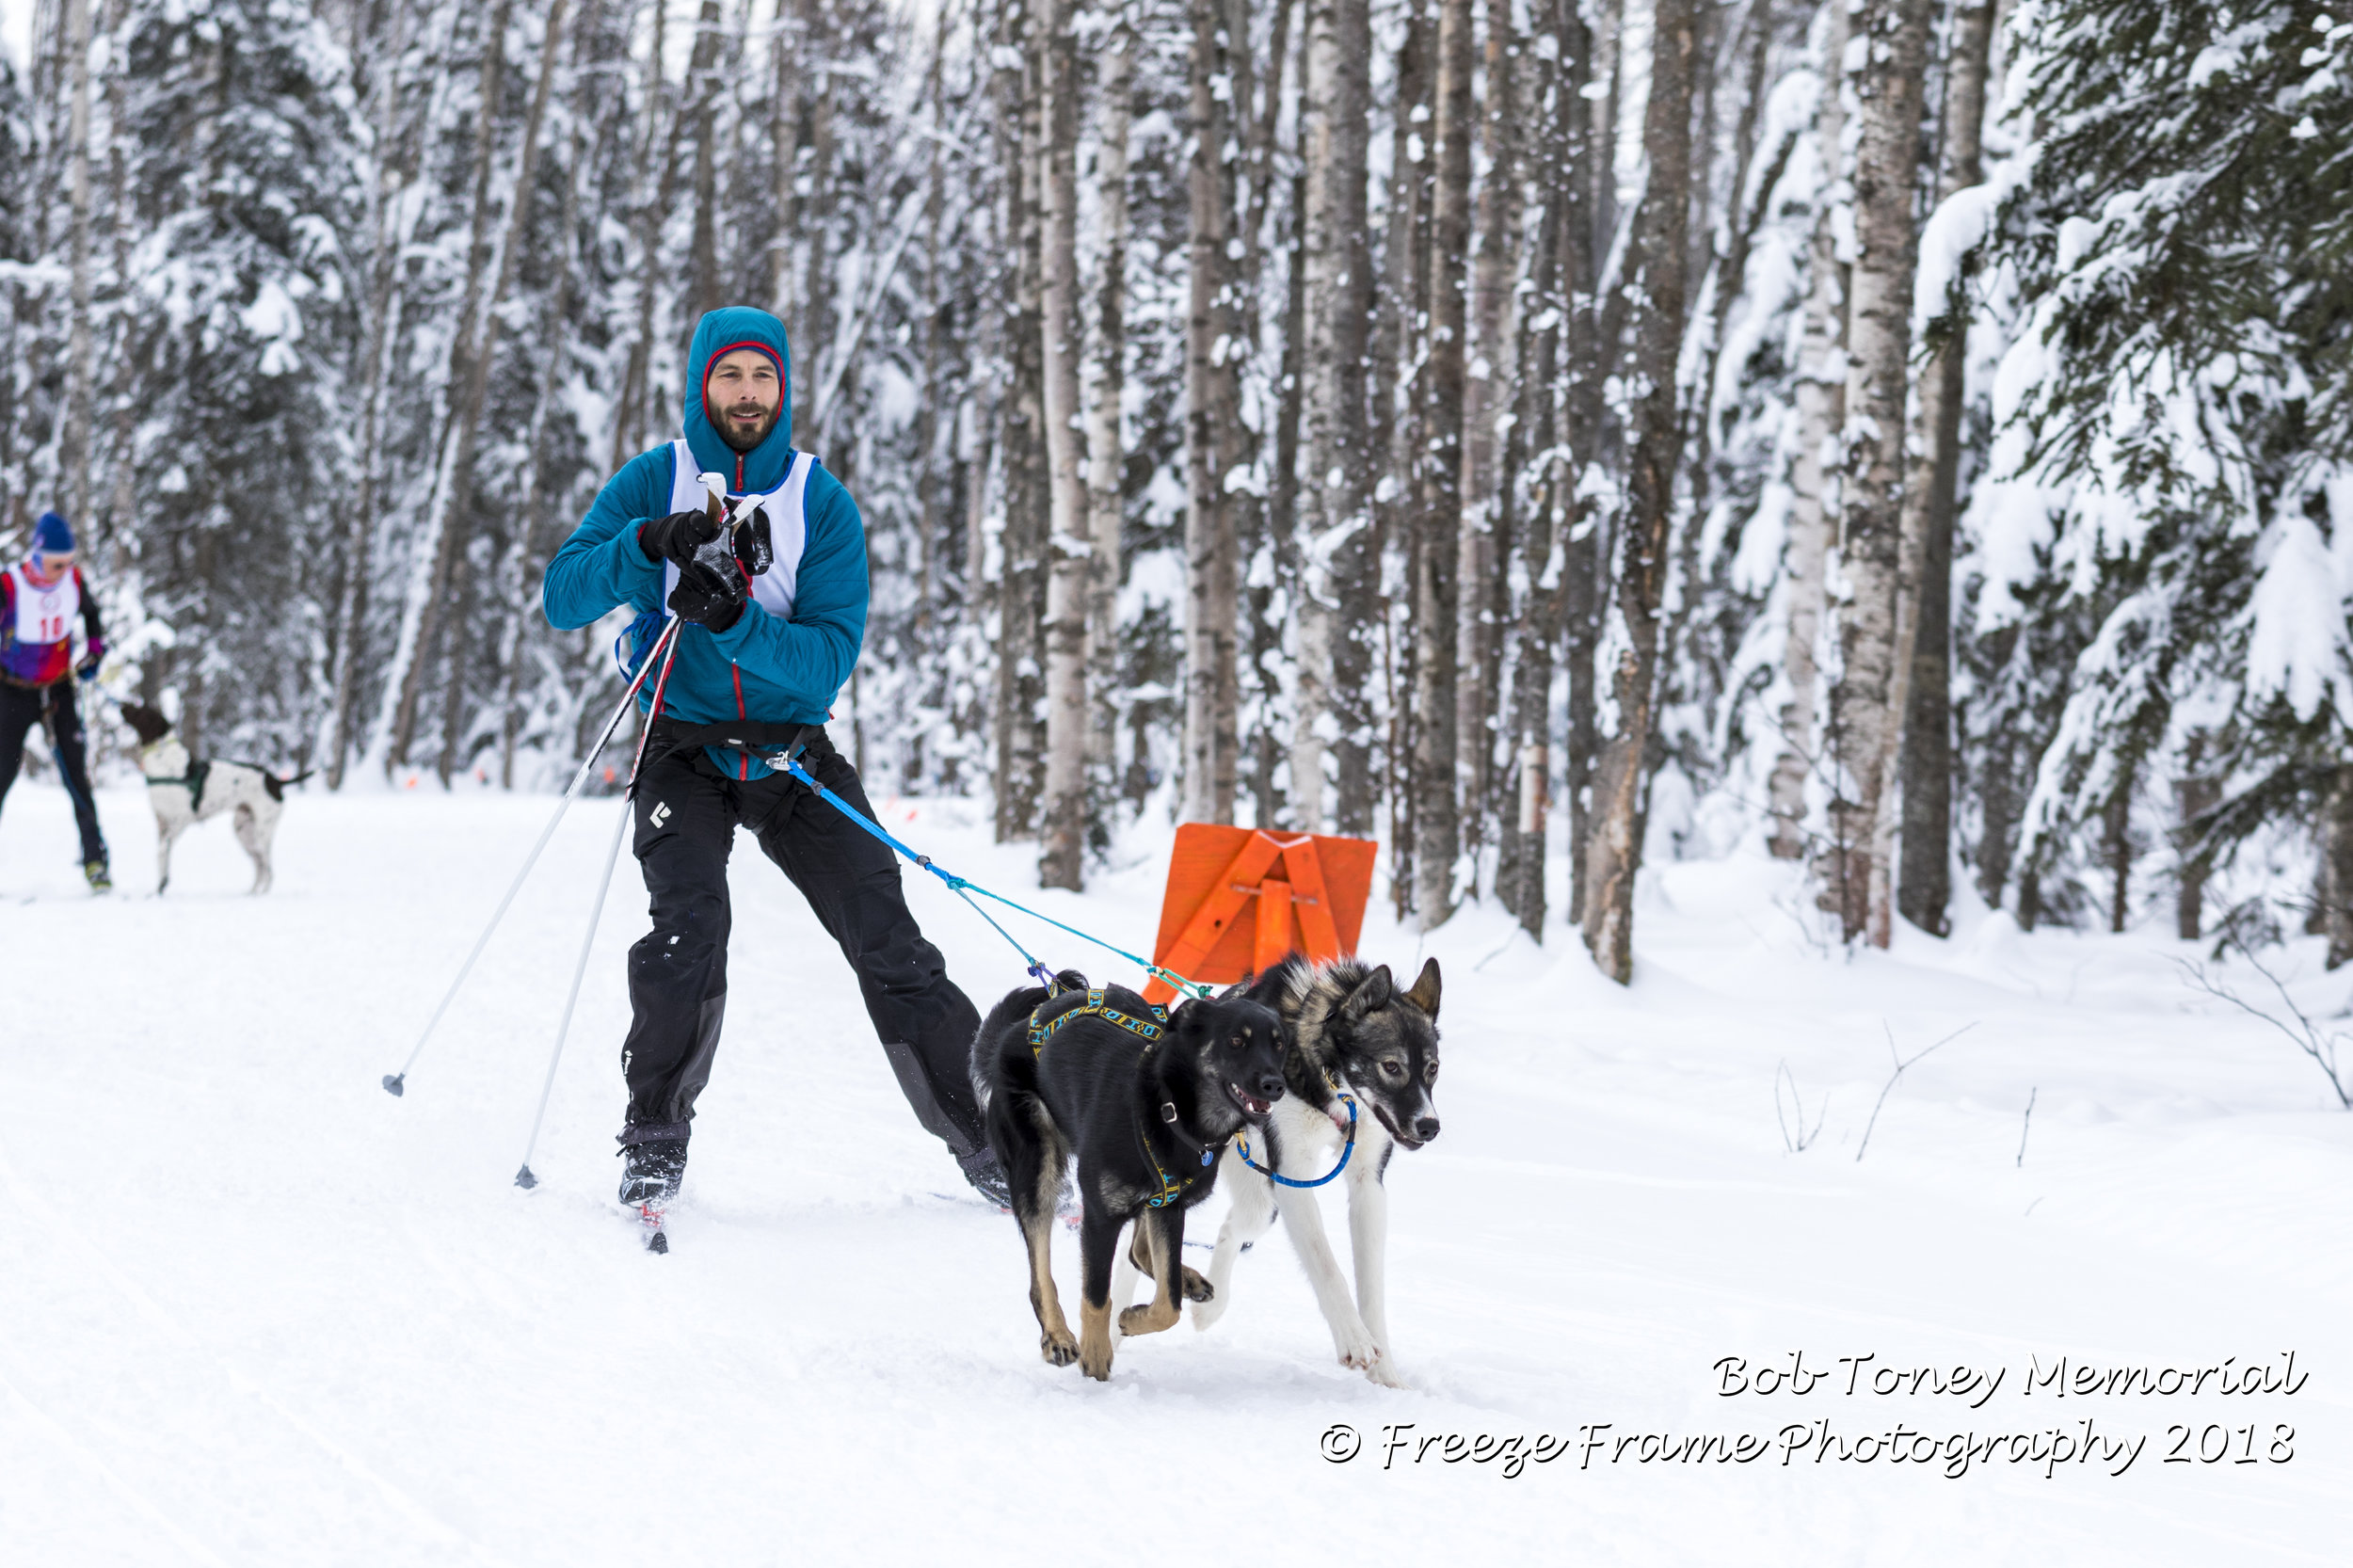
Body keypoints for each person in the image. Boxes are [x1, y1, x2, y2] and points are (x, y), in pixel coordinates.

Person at [543, 306, 1009, 1212]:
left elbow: (828, 657)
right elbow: (564, 597)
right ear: (700, 385)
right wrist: (651, 545)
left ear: (784, 389)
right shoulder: (653, 478)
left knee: (892, 947)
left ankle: (993, 1147)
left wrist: (735, 619)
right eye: (730, 376)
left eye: (763, 377)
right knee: (687, 935)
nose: (747, 394)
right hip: (683, 745)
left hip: (795, 756)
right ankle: (653, 1142)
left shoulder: (817, 502)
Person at [0, 511, 110, 890]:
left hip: (59, 690)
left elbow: (92, 617)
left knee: (76, 775)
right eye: (56, 563)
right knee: (1, 776)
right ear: (38, 555)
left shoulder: (74, 581)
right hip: (12, 691)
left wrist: (94, 653)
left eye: (69, 561)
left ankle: (96, 862)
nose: (65, 569)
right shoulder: (9, 585)